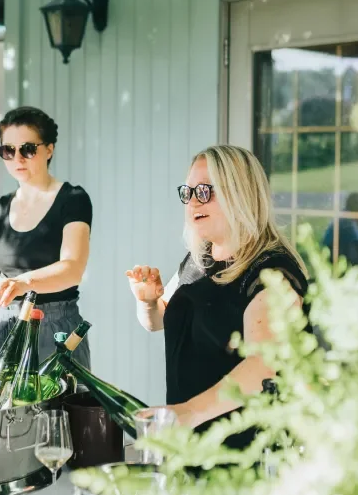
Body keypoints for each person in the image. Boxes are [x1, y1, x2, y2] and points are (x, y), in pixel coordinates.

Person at [126, 145, 308, 438]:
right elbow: (159, 319)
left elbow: (264, 364)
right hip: (192, 442)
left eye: (205, 191)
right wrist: (147, 302)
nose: (193, 203)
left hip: (246, 454)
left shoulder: (272, 272)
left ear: (241, 194)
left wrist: (185, 413)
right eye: (188, 193)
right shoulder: (200, 258)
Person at [0, 106, 92, 367]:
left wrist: (21, 283)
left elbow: (72, 268)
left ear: (49, 149)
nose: (17, 158)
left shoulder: (73, 199)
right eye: (8, 150)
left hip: (56, 331)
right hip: (6, 328)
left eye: (27, 149)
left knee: (58, 408)